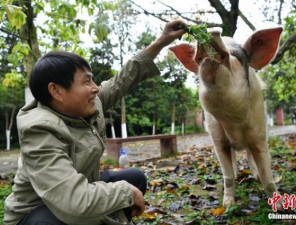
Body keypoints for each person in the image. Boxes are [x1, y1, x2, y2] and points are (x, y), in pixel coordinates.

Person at [4, 20, 188, 225]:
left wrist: (162, 41)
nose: (95, 88)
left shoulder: (88, 105)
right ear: (56, 91)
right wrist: (124, 192)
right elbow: (73, 201)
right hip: (37, 211)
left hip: (78, 193)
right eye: (86, 81)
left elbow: (123, 79)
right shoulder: (39, 131)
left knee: (135, 178)